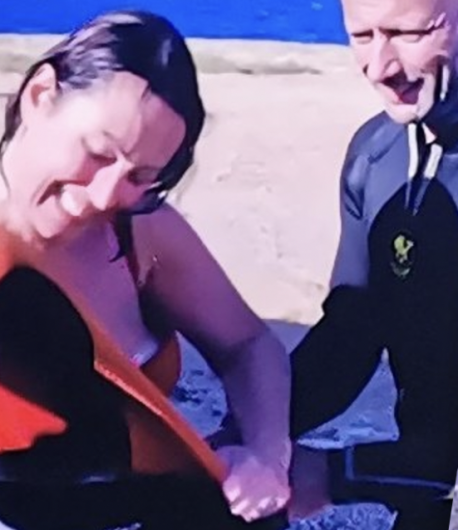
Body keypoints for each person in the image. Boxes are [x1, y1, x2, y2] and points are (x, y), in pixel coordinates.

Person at [0, 10, 291, 529]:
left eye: (140, 177)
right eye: (97, 152)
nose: (105, 195)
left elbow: (248, 344)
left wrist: (266, 454)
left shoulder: (138, 231)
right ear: (40, 96)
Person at [285, 0, 458, 527]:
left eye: (408, 34)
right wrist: (255, 431)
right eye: (361, 36)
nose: (379, 68)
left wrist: (334, 474)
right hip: (423, 493)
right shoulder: (374, 153)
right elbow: (349, 336)